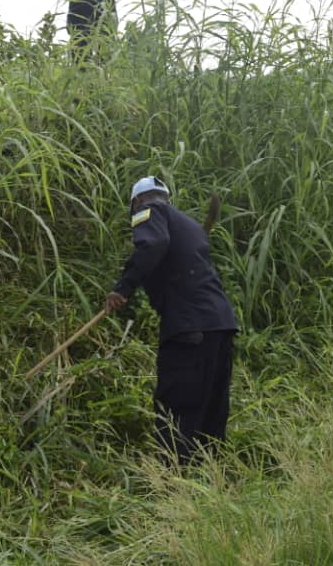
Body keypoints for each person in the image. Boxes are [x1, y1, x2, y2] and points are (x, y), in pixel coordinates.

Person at [105, 176, 237, 465]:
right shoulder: (190, 226)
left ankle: (170, 484)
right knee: (211, 408)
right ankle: (210, 481)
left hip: (189, 328)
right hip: (221, 324)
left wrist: (123, 287)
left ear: (137, 201)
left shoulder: (148, 212)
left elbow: (153, 245)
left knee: (175, 407)